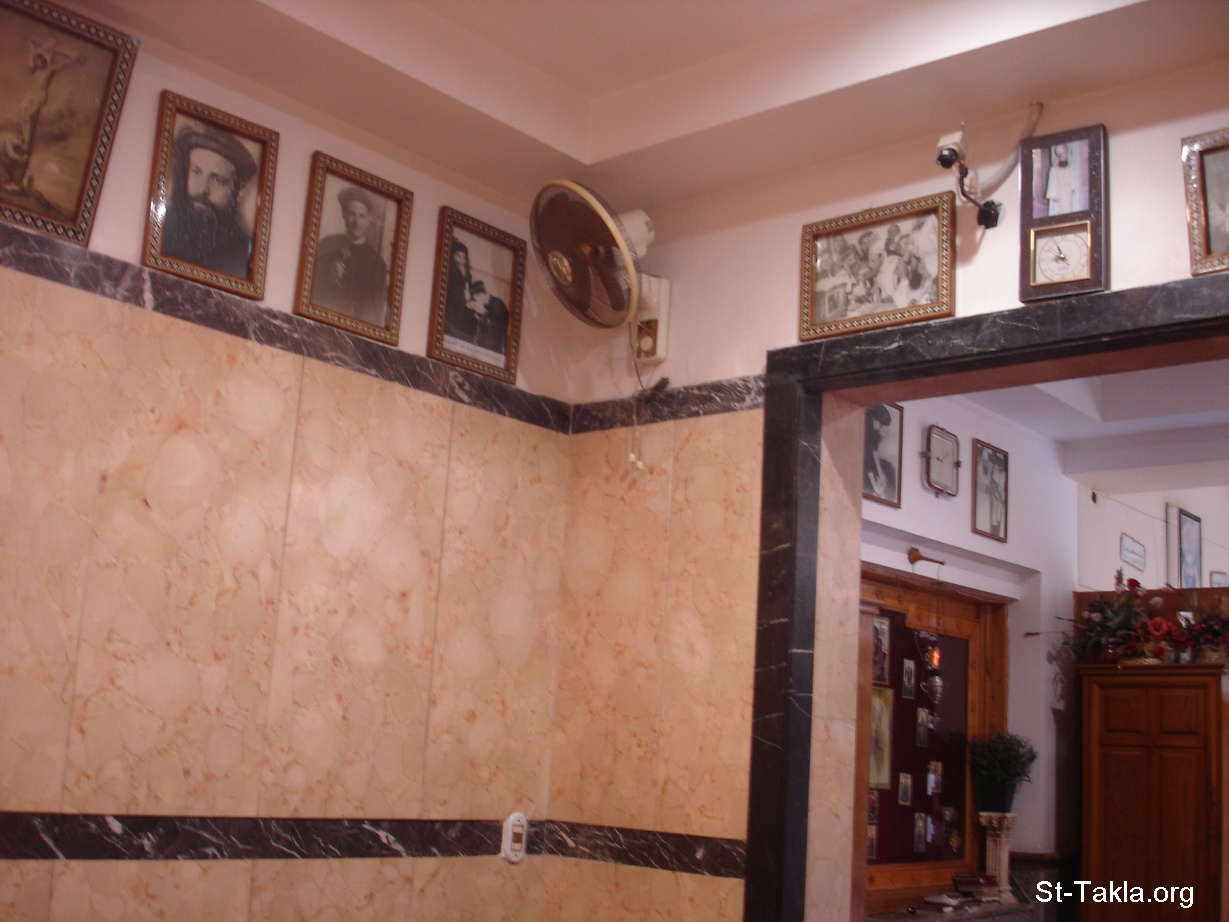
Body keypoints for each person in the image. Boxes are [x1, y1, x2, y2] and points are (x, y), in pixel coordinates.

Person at [160, 124, 258, 278]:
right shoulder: (162, 229)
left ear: (239, 190)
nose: (202, 189)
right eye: (196, 172)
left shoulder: (243, 253)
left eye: (218, 180)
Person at [311, 185, 389, 326]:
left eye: (362, 216)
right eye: (351, 214)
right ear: (344, 215)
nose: (356, 222)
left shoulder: (376, 261)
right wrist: (328, 276)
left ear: (368, 221)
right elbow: (310, 293)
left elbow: (375, 311)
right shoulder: (326, 245)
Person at [863, 404, 898, 501]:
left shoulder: (875, 431)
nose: (881, 428)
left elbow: (874, 450)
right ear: (875, 420)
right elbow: (868, 458)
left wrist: (880, 472)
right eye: (881, 425)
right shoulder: (866, 426)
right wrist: (874, 484)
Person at [1045, 143, 1078, 216]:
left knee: (1068, 211)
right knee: (1058, 213)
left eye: (1065, 155)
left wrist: (1073, 188)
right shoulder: (1053, 169)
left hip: (1067, 194)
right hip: (1058, 196)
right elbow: (1051, 183)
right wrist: (1053, 195)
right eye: (1062, 155)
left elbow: (1072, 179)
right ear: (1059, 156)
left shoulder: (1070, 167)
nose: (1063, 157)